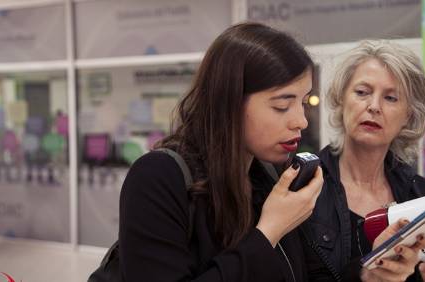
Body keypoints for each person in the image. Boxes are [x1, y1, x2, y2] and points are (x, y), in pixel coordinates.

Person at [118, 22, 324, 282]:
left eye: (304, 102)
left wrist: (366, 271)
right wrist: (269, 231)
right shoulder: (158, 178)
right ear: (230, 102)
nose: (301, 121)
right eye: (282, 105)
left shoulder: (270, 177)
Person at [301, 40, 425, 282]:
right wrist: (365, 276)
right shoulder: (303, 188)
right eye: (362, 92)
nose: (373, 106)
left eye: (391, 98)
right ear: (341, 99)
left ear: (408, 116)